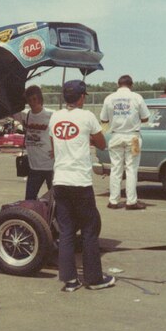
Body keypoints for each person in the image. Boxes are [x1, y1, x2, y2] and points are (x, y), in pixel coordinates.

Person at [49, 80, 114, 292]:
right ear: (81, 97)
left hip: (60, 180)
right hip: (80, 181)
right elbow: (102, 143)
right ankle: (94, 279)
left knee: (66, 230)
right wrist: (86, 138)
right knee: (90, 227)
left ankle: (69, 280)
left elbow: (54, 147)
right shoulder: (87, 117)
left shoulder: (55, 116)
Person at [100, 75, 150, 210]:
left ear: (118, 84)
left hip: (116, 136)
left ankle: (113, 201)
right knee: (131, 169)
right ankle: (131, 201)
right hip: (133, 137)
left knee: (115, 169)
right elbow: (145, 118)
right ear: (131, 85)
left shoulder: (109, 98)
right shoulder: (137, 97)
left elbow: (103, 119)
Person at [14, 85, 54, 200]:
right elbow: (9, 110)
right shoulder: (25, 115)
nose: (32, 103)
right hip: (34, 167)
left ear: (40, 99)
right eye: (29, 100)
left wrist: (58, 150)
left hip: (51, 166)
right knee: (29, 199)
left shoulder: (52, 115)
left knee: (57, 200)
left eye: (35, 99)